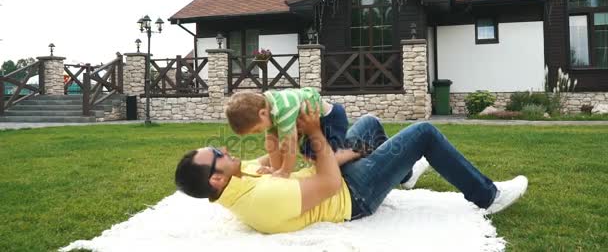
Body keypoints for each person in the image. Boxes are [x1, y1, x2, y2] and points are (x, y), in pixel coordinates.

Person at [175, 102, 528, 234]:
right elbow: (328, 183)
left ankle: (403, 174)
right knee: (423, 133)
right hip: (352, 196)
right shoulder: (261, 200)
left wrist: (292, 132)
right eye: (215, 154)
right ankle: (488, 196)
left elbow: (289, 160)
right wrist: (314, 133)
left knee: (371, 123)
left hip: (332, 173)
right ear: (216, 178)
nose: (222, 148)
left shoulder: (239, 176)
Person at [224, 88, 348, 178]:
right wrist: (275, 169)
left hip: (331, 120)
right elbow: (271, 142)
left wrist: (285, 171)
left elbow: (290, 144)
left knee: (325, 159)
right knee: (307, 153)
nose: (258, 133)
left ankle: (351, 152)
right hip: (315, 122)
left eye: (256, 129)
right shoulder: (268, 105)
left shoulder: (284, 109)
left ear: (262, 113)